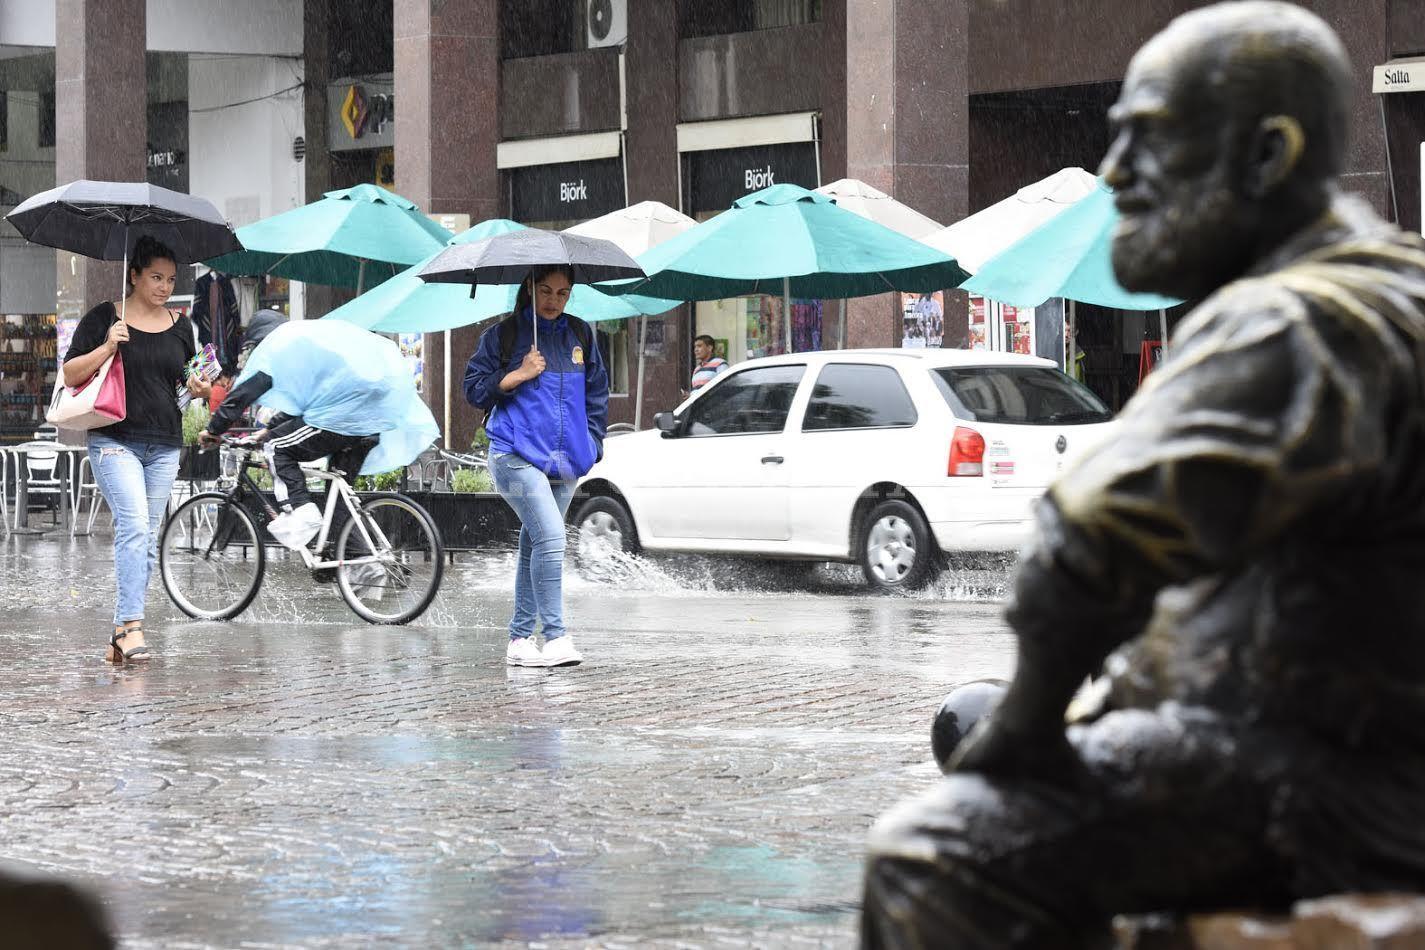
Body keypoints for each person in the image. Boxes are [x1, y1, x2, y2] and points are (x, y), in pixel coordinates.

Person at [861, 4, 1425, 947]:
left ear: (1264, 157)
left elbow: (1082, 540)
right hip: (1365, 758)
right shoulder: (1390, 288)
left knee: (938, 853)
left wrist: (1029, 730)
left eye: (1147, 140)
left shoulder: (1295, 320)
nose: (1114, 172)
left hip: (1329, 786)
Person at [61, 235, 209, 663]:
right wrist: (108, 345)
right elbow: (70, 374)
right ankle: (134, 627)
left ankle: (120, 633)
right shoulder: (107, 316)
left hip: (164, 444)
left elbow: (183, 387)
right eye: (156, 277)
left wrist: (197, 390)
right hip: (114, 439)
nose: (164, 286)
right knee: (135, 525)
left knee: (145, 537)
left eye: (170, 279)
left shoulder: (181, 326)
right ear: (135, 275)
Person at [464, 264, 609, 668]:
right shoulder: (503, 335)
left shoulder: (581, 334)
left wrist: (593, 442)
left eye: (562, 294)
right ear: (529, 288)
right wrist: (518, 374)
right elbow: (474, 390)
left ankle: (520, 639)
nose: (553, 301)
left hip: (566, 459)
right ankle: (557, 637)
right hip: (515, 453)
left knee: (536, 543)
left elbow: (597, 392)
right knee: (552, 539)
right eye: (545, 291)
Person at [199, 319, 435, 560]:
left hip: (341, 418)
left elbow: (246, 392)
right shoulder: (309, 348)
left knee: (276, 447)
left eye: (253, 348)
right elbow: (308, 401)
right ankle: (360, 562)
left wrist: (214, 429)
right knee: (339, 494)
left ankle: (301, 510)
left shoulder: (280, 348)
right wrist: (270, 427)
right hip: (370, 422)